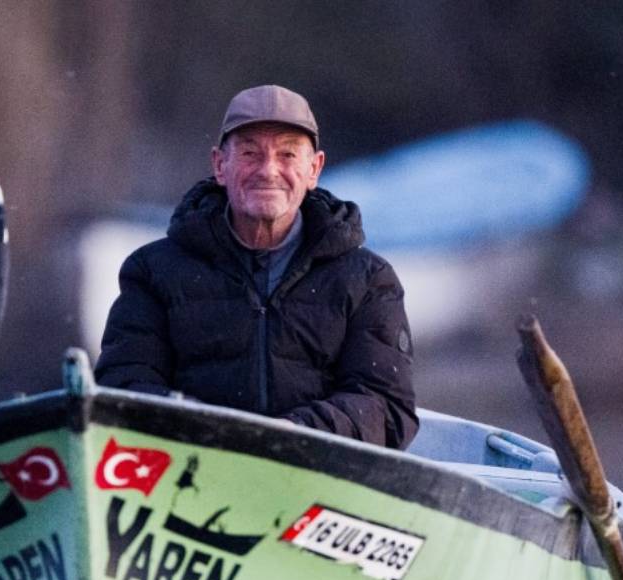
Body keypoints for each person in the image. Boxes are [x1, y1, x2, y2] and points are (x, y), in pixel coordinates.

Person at [95, 85, 418, 449]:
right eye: (250, 153)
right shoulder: (152, 272)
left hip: (320, 484)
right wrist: (199, 428)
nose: (268, 170)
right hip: (185, 479)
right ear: (220, 165)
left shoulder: (369, 280)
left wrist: (298, 433)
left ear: (314, 169)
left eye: (287, 155)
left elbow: (388, 409)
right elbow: (121, 389)